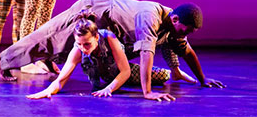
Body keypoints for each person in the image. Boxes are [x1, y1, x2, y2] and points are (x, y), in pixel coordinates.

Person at [0, 0, 225, 100]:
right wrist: (147, 93)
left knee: (68, 48)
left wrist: (202, 79)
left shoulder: (172, 25)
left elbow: (184, 49)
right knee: (52, 37)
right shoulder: (150, 16)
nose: (186, 35)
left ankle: (49, 60)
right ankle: (4, 60)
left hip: (111, 30)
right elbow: (147, 53)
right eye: (186, 30)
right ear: (176, 20)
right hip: (95, 9)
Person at [27, 11, 175, 101]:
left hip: (120, 74)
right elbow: (61, 80)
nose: (83, 48)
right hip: (103, 79)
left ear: (96, 38)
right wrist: (48, 90)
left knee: (164, 76)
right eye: (79, 43)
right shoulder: (77, 50)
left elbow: (125, 71)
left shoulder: (108, 38)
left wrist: (109, 89)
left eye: (87, 44)